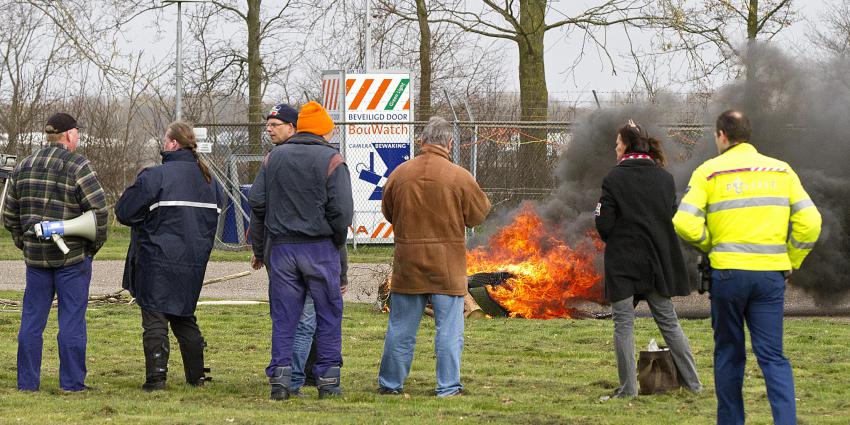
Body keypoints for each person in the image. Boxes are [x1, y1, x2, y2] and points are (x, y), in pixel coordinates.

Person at [673, 110, 822, 425]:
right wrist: (791, 259)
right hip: (770, 277)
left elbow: (683, 221)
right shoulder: (781, 171)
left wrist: (710, 244)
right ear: (747, 134)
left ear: (721, 135)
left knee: (729, 354)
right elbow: (811, 221)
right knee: (773, 356)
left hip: (728, 276)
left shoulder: (709, 173)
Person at [377, 116, 491, 397]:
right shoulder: (459, 176)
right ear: (450, 144)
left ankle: (390, 384)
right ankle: (448, 386)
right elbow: (478, 214)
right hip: (447, 266)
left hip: (408, 264)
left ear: (421, 141)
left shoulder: (400, 174)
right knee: (449, 330)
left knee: (400, 329)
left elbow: (388, 212)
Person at [247, 101, 353, 400]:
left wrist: (262, 246)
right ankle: (328, 382)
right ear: (323, 131)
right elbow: (342, 212)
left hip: (281, 248)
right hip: (320, 248)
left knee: (284, 318)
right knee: (328, 315)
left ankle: (281, 382)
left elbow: (257, 202)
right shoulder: (332, 160)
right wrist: (334, 240)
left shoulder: (273, 158)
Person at [594, 120, 702, 400]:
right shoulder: (664, 178)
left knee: (623, 324)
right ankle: (693, 384)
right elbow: (672, 216)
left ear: (626, 146)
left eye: (617, 144)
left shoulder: (614, 178)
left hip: (623, 263)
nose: (615, 149)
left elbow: (604, 224)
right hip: (656, 262)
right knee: (669, 322)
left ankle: (628, 390)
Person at [115, 121, 224, 391]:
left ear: (173, 143)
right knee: (184, 316)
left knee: (155, 317)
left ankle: (156, 378)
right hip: (193, 261)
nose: (163, 144)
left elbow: (125, 211)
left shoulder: (156, 176)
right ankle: (196, 376)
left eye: (165, 139)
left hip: (156, 258)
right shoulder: (211, 181)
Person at [3, 112, 108, 392]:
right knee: (71, 320)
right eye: (77, 134)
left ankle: (27, 384)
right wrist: (91, 248)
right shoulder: (78, 166)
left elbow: (9, 215)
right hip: (72, 259)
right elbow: (99, 213)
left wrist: (24, 242)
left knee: (31, 321)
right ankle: (72, 383)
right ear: (70, 135)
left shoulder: (23, 165)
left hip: (35, 260)